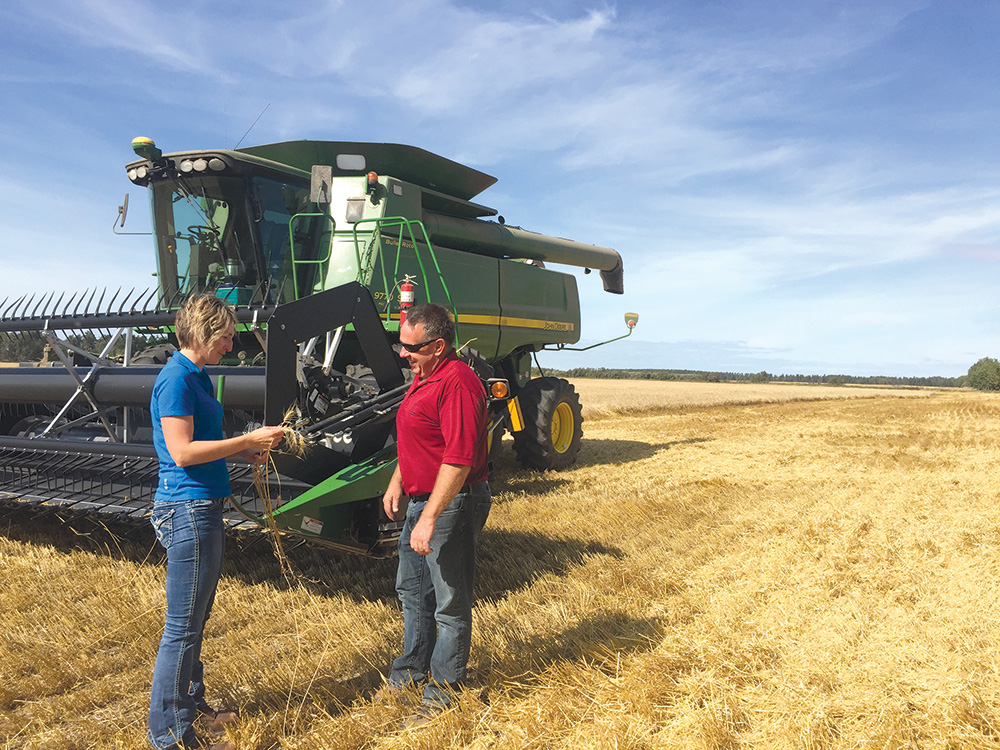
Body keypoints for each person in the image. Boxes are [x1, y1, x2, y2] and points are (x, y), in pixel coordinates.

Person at [147, 294, 285, 750]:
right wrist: (245, 437)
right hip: (187, 508)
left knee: (196, 619)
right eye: (226, 337)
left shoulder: (197, 377)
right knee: (182, 626)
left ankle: (191, 708)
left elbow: (201, 441)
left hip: (202, 505)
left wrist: (241, 451)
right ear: (205, 333)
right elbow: (182, 453)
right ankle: (169, 734)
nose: (231, 344)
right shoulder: (176, 380)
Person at [381, 303, 492, 727]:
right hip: (419, 499)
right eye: (400, 345)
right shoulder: (425, 376)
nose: (402, 354)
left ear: (439, 345)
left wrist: (429, 515)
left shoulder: (458, 382)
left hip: (451, 503)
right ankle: (409, 673)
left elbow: (459, 459)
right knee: (412, 592)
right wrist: (397, 480)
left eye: (411, 348)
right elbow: (419, 440)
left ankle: (444, 693)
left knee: (449, 604)